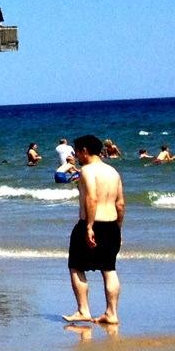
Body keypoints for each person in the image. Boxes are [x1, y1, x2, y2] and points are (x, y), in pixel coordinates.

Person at [66, 135, 125, 326]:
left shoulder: (87, 171)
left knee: (76, 265)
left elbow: (91, 198)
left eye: (76, 151)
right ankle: (112, 313)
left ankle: (83, 310)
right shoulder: (113, 171)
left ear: (84, 150)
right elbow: (120, 204)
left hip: (91, 223)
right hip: (111, 224)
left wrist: (89, 227)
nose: (75, 155)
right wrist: (118, 229)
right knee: (109, 269)